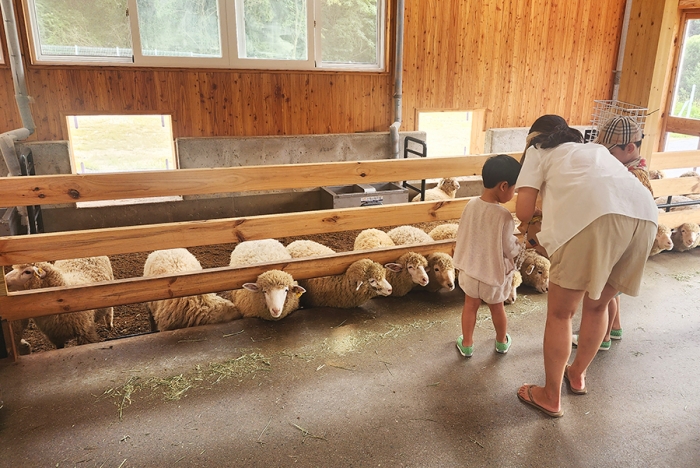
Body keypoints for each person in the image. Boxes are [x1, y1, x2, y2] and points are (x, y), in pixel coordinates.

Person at [514, 114, 657, 418]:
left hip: (594, 218)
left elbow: (523, 209)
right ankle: (576, 374)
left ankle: (550, 396)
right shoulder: (593, 150)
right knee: (598, 305)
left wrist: (537, 218)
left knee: (560, 313)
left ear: (534, 138)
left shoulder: (537, 150)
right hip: (645, 215)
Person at [572, 116, 652, 350]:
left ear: (630, 148)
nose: (605, 157)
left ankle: (602, 337)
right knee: (610, 292)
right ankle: (613, 328)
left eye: (610, 151)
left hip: (624, 242)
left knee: (598, 298)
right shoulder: (628, 168)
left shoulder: (633, 177)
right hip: (623, 241)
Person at [453, 154, 522, 357]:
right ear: (503, 186)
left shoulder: (470, 204)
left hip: (470, 271)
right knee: (497, 308)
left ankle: (466, 344)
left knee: (470, 306)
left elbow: (464, 233)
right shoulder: (503, 216)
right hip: (492, 274)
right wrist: (520, 246)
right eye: (514, 189)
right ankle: (501, 342)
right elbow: (509, 248)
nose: (514, 193)